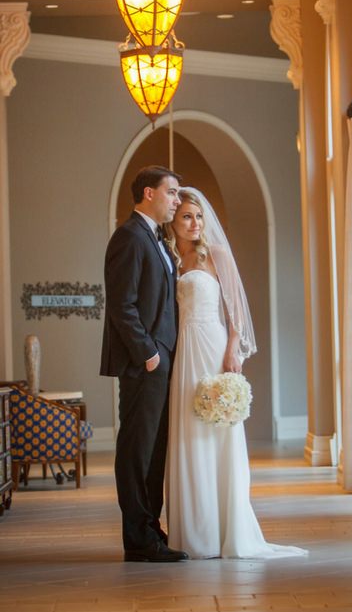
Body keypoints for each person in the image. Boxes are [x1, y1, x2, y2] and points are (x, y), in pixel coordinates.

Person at [164, 187, 306, 559]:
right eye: (186, 217)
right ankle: (195, 532)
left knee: (218, 433)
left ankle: (227, 527)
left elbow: (236, 311)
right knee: (188, 432)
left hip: (213, 347)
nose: (195, 224)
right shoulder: (171, 259)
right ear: (174, 222)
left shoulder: (218, 256)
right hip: (184, 354)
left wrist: (232, 350)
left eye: (198, 217)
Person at [100, 165, 188, 563]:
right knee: (137, 449)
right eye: (172, 193)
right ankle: (138, 539)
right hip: (145, 365)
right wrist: (149, 354)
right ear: (149, 194)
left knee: (154, 450)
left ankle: (151, 528)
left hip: (163, 362)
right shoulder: (129, 237)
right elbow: (122, 305)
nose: (177, 200)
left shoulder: (157, 239)